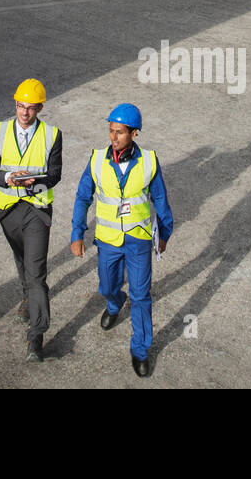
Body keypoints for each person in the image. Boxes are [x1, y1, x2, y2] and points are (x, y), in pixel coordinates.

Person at [70, 103, 173, 377]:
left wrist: (165, 232)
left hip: (138, 240)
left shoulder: (149, 161)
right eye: (111, 131)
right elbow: (83, 197)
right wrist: (76, 234)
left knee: (141, 296)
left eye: (120, 133)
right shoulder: (96, 160)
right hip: (107, 240)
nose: (113, 138)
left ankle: (140, 350)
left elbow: (160, 198)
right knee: (107, 286)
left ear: (134, 134)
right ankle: (114, 303)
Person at [0, 79, 63, 362]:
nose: (24, 113)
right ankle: (27, 298)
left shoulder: (53, 135)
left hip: (37, 210)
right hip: (8, 212)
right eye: (20, 106)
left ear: (40, 108)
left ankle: (36, 337)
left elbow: (55, 174)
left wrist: (34, 180)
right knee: (22, 261)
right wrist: (7, 178)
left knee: (36, 272)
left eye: (30, 108)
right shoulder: (0, 131)